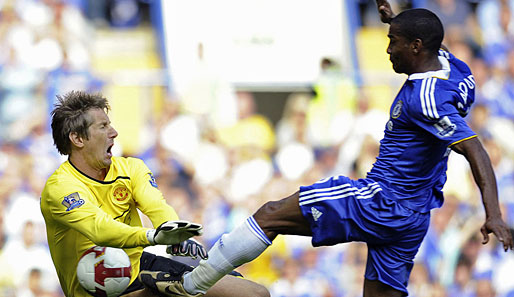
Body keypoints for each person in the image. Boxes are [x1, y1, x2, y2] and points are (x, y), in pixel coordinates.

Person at [138, 1, 514, 297]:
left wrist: (493, 213)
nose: (387, 50)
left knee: (271, 214)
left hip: (381, 200)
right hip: (413, 217)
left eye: (394, 42)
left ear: (417, 47)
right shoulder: (456, 68)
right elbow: (431, 37)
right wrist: (395, 19)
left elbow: (476, 150)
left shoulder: (426, 99)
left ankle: (192, 284)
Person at [40, 91, 269, 297]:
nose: (114, 132)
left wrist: (176, 235)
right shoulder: (60, 188)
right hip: (98, 287)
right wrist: (153, 236)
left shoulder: (131, 168)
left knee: (256, 293)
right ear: (78, 138)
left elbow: (156, 206)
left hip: (142, 269)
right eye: (102, 127)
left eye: (110, 124)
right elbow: (99, 230)